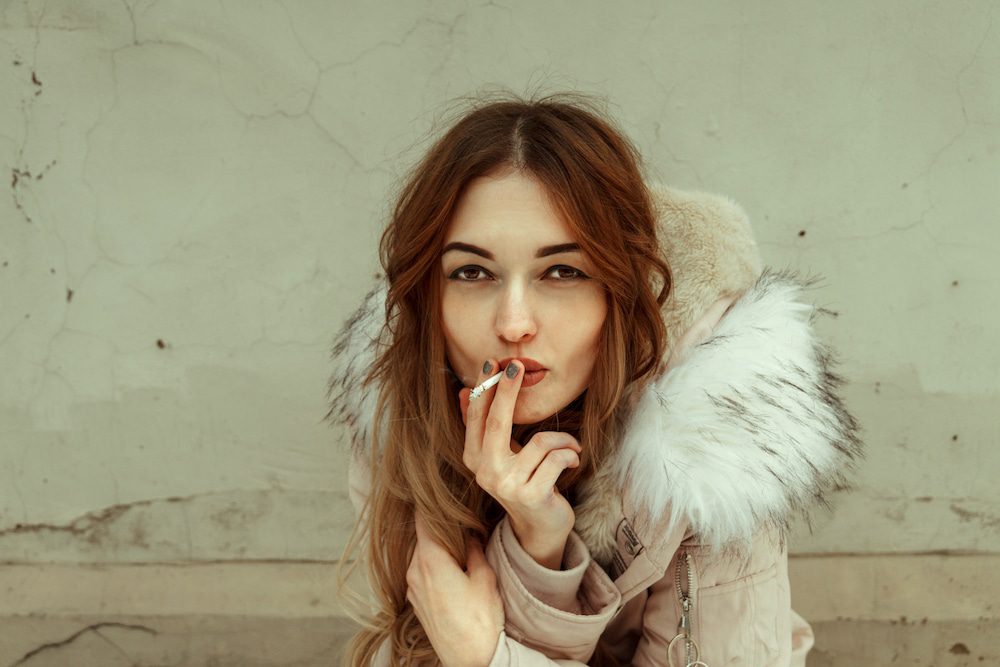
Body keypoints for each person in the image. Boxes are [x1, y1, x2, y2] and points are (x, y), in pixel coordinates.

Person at [324, 91, 863, 666]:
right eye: (473, 272)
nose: (513, 324)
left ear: (620, 293)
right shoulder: (399, 418)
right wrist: (538, 543)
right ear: (430, 296)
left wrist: (485, 655)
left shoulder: (715, 451)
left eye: (561, 271)